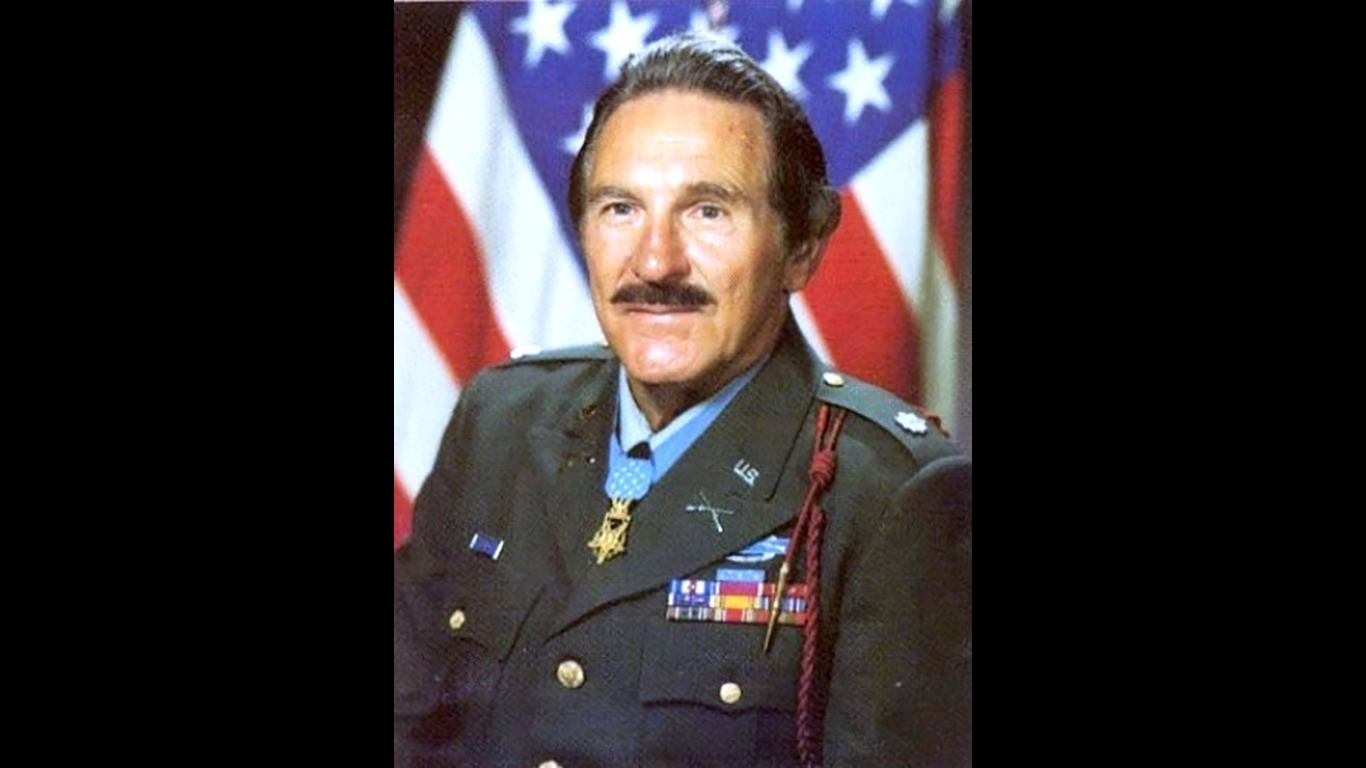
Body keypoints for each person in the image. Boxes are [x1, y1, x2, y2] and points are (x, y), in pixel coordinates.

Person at [394, 31, 971, 768]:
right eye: (620, 209)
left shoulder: (889, 492)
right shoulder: (500, 423)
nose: (655, 262)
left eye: (708, 211)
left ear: (802, 248)